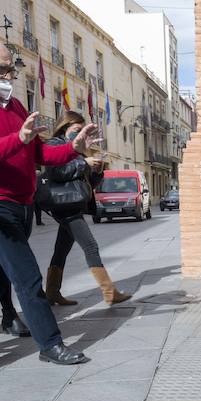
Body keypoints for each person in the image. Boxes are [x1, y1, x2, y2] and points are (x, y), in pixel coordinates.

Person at [0, 35, 99, 365]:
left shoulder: (14, 106)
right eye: (1, 69)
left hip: (23, 202)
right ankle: (51, 344)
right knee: (26, 274)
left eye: (10, 70)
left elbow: (39, 152)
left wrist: (73, 148)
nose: (7, 77)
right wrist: (16, 139)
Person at [41, 111, 133, 307]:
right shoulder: (53, 145)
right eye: (76, 129)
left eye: (81, 130)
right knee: (90, 246)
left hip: (72, 204)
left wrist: (97, 170)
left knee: (61, 249)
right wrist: (84, 162)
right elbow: (57, 172)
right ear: (65, 127)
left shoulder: (77, 149)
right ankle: (109, 292)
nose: (78, 133)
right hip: (64, 205)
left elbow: (88, 181)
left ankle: (52, 292)